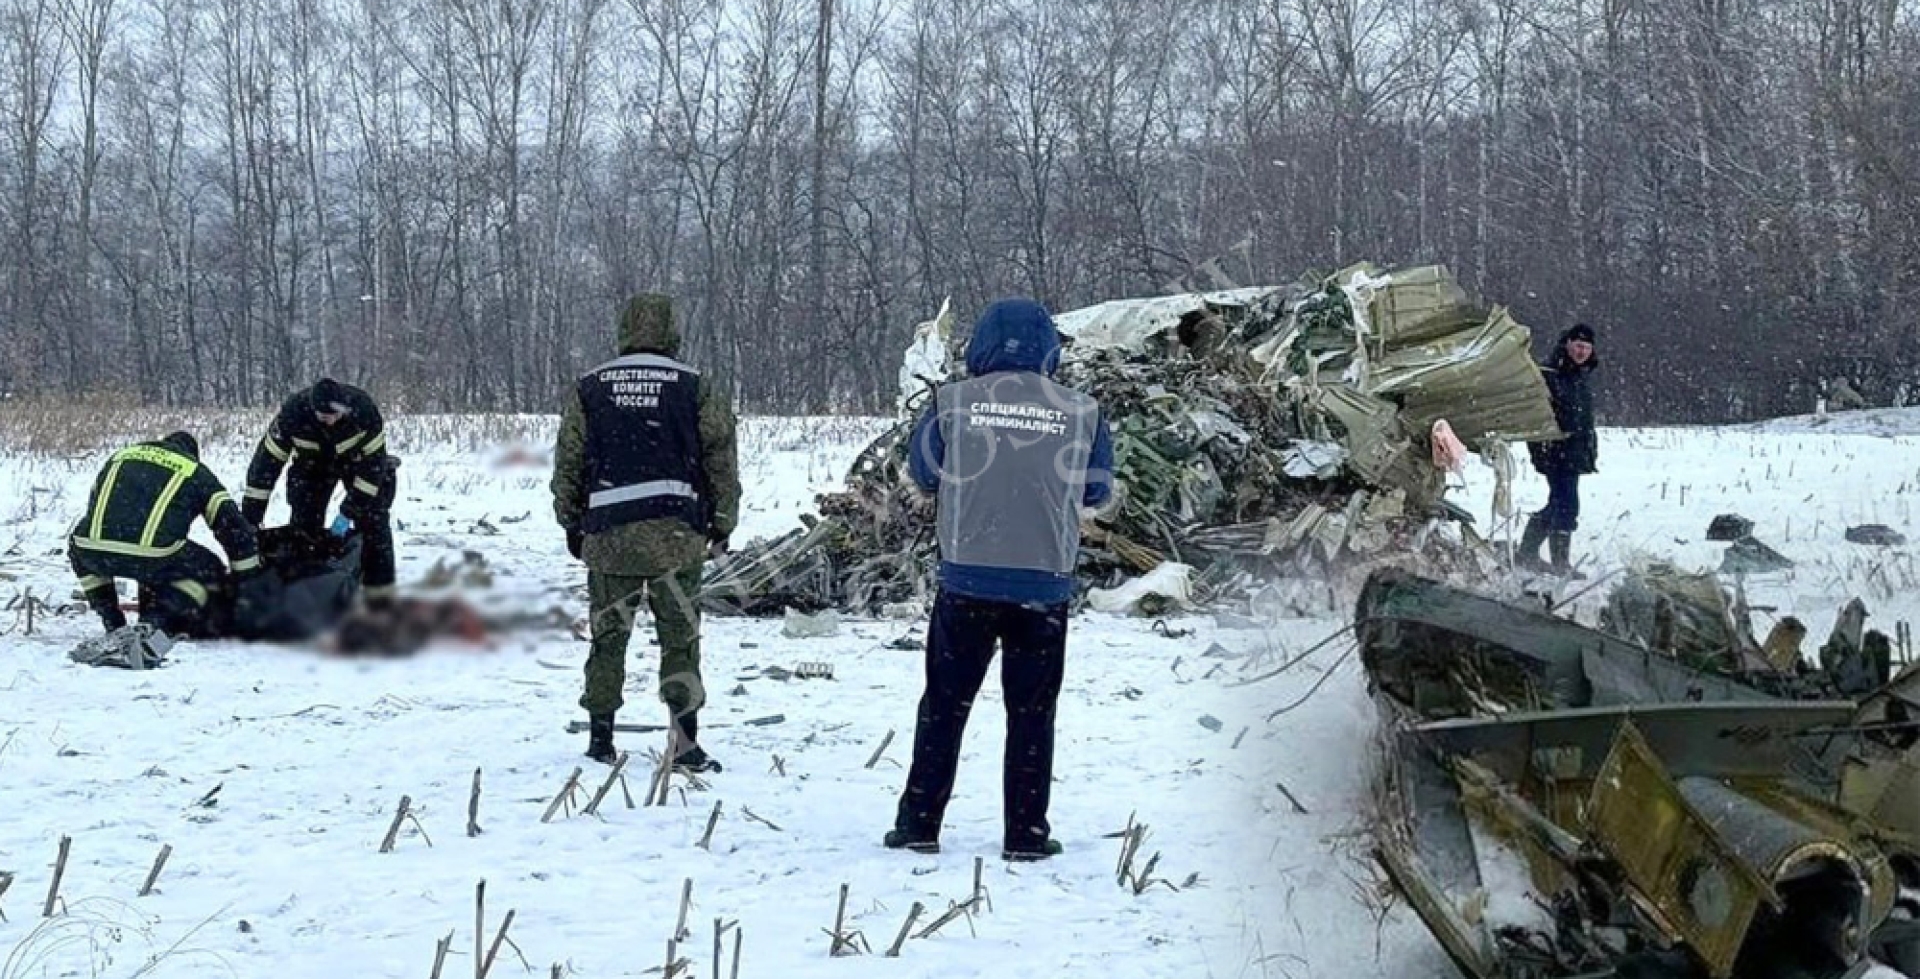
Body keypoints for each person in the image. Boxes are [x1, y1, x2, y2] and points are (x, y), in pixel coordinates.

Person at [885, 297, 1114, 862]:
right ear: (1049, 349)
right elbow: (1098, 494)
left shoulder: (952, 403)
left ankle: (919, 823)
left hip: (966, 580)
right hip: (1044, 586)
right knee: (1033, 714)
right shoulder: (1083, 412)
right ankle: (1026, 834)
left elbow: (922, 474)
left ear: (980, 345)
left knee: (944, 705)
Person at [551, 293, 740, 771]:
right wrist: (722, 522)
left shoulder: (591, 386)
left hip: (609, 537)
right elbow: (721, 457)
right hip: (676, 538)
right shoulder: (694, 386)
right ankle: (684, 743)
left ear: (625, 329)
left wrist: (570, 521)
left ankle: (600, 739)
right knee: (680, 639)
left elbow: (569, 460)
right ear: (671, 331)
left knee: (608, 638)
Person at [69, 431, 264, 637]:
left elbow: (102, 511)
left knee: (99, 550)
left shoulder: (121, 456)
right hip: (154, 556)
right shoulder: (194, 470)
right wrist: (247, 584)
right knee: (208, 569)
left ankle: (113, 624)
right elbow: (234, 529)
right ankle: (157, 620)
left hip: (88, 549)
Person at [240, 378, 399, 608]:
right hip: (311, 466)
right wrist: (251, 519)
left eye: (334, 416)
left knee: (374, 520)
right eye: (323, 417)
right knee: (304, 525)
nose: (330, 422)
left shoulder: (364, 411)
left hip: (356, 464)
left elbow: (372, 471)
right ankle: (309, 587)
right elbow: (264, 470)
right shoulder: (292, 416)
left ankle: (379, 594)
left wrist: (349, 512)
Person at [1520, 323, 1599, 576]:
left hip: (1575, 453)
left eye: (1586, 347)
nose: (1582, 351)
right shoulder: (1549, 374)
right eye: (1578, 345)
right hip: (1555, 451)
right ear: (1567, 344)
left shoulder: (1580, 375)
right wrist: (1542, 449)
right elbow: (1536, 415)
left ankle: (1527, 553)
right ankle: (1560, 562)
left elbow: (1582, 418)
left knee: (1557, 503)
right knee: (1567, 504)